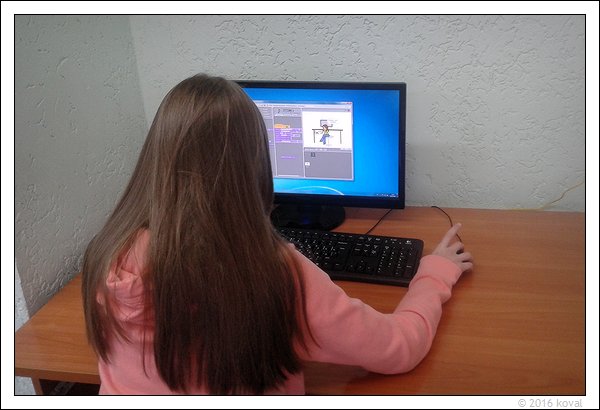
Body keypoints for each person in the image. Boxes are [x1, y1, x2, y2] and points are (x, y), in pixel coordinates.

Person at [81, 74, 473, 395]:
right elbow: (397, 349)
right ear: (254, 164)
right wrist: (434, 273)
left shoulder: (109, 253)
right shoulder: (271, 273)